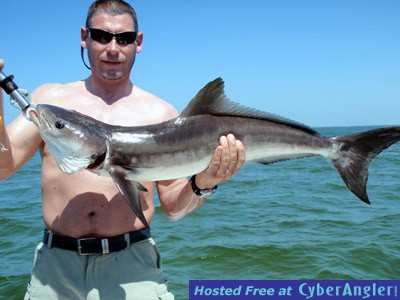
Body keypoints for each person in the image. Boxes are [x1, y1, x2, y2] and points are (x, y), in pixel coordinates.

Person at [0, 0, 245, 299]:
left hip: (134, 267)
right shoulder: (50, 102)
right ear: (84, 36)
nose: (113, 48)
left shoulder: (162, 113)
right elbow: (2, 167)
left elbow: (174, 208)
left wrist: (205, 182)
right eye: (102, 35)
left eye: (124, 38)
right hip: (56, 269)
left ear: (137, 42)